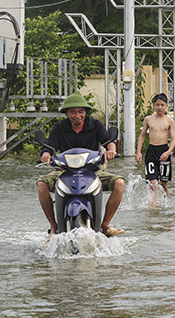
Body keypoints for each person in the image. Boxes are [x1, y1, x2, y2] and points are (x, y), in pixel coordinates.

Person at [37, 94, 125, 239]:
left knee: (119, 183)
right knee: (41, 184)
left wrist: (112, 150)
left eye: (81, 111)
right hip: (63, 172)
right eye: (73, 112)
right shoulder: (59, 128)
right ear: (67, 113)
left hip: (92, 171)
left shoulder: (95, 125)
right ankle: (54, 226)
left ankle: (105, 225)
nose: (77, 115)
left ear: (85, 112)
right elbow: (49, 147)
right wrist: (46, 155)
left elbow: (108, 142)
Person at [136, 93, 175, 207]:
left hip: (164, 150)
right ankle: (152, 208)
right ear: (154, 105)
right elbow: (142, 135)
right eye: (157, 104)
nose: (160, 107)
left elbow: (173, 139)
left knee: (164, 184)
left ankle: (164, 205)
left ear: (166, 106)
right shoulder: (148, 119)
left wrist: (168, 152)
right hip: (151, 151)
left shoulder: (170, 121)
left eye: (162, 105)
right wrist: (139, 152)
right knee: (152, 184)